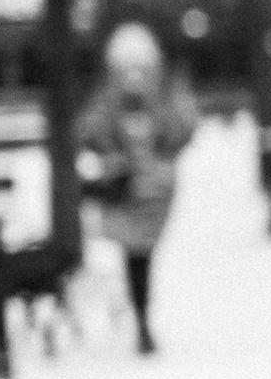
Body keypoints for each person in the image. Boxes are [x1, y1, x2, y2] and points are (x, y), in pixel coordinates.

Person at [75, 21, 198, 356]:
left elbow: (183, 129)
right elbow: (88, 133)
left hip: (154, 195)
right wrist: (114, 161)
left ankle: (141, 317)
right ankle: (141, 319)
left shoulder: (163, 103)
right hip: (126, 195)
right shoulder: (107, 107)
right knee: (136, 257)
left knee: (141, 256)